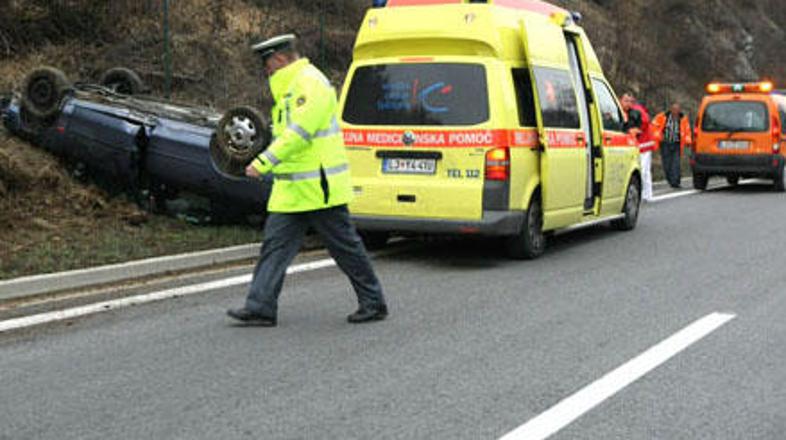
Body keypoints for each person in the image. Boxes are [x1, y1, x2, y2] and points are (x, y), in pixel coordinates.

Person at [227, 34, 388, 327]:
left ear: (279, 60)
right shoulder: (291, 88)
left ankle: (373, 302)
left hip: (319, 189)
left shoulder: (311, 84)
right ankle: (260, 307)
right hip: (291, 190)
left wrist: (263, 163)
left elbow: (299, 133)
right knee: (274, 248)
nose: (266, 71)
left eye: (267, 64)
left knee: (345, 249)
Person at [622, 93, 655, 201]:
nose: (628, 103)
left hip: (643, 144)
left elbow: (644, 122)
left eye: (629, 101)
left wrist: (635, 129)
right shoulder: (622, 111)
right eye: (626, 101)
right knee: (643, 171)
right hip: (635, 145)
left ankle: (646, 194)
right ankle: (645, 193)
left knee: (643, 170)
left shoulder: (637, 111)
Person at [652, 103, 692, 188]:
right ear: (671, 109)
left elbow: (687, 130)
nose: (675, 111)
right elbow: (654, 126)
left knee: (676, 163)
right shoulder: (662, 116)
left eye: (677, 109)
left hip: (677, 144)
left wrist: (688, 140)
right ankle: (670, 179)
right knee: (667, 164)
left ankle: (676, 181)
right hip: (665, 144)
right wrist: (658, 136)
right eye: (674, 109)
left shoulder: (683, 119)